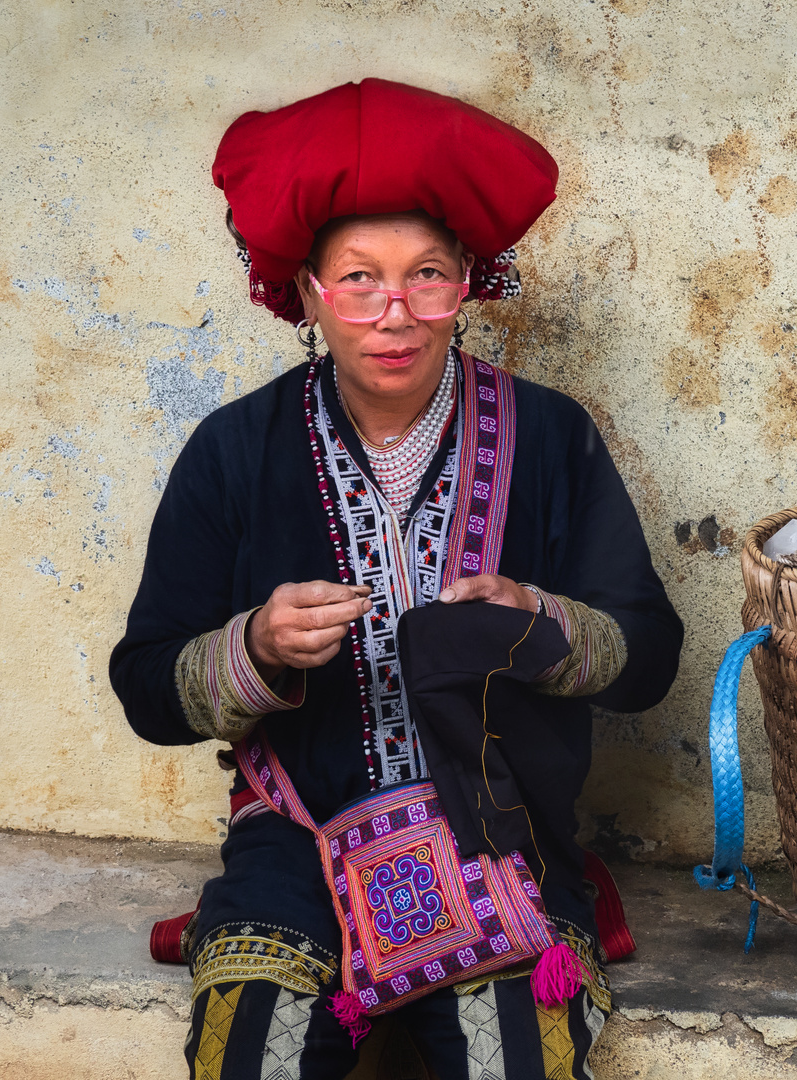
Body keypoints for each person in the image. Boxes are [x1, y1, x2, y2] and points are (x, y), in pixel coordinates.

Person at [109, 79, 683, 1080]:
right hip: (296, 846)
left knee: (514, 1059)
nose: (394, 315)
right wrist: (253, 646)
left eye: (426, 275)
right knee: (253, 1056)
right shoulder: (232, 451)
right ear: (304, 294)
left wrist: (536, 619)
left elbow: (645, 657)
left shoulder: (549, 437)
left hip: (502, 839)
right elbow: (149, 686)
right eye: (359, 280)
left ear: (469, 279)